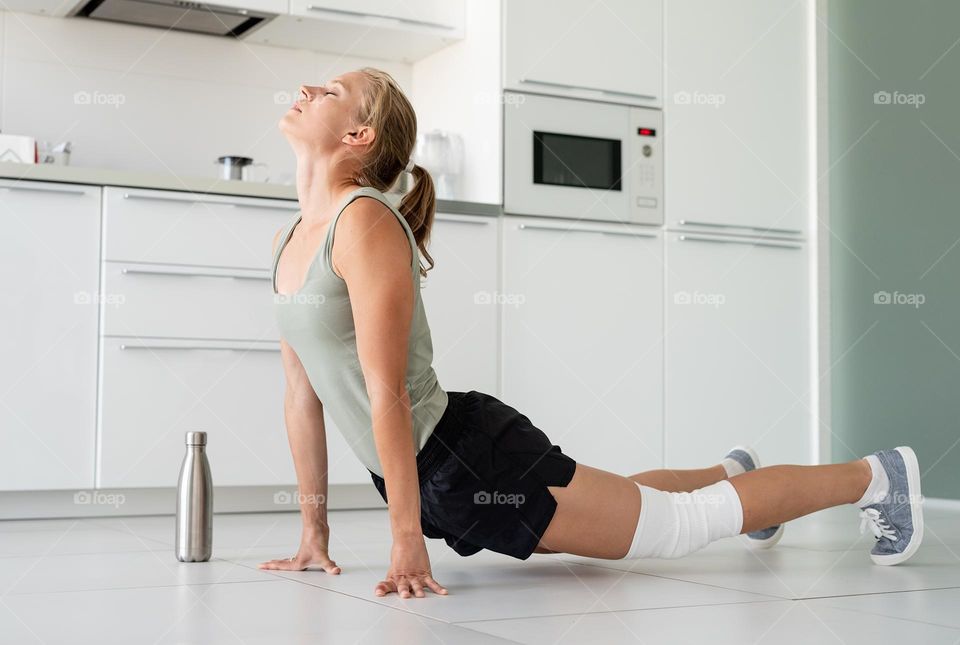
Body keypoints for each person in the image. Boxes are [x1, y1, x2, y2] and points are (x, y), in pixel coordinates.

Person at [257, 67, 924, 599]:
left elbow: (386, 391)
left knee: (675, 528)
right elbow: (301, 396)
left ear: (359, 137)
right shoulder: (294, 240)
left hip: (463, 459)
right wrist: (314, 532)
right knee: (622, 503)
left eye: (333, 90)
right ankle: (731, 474)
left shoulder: (364, 222)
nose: (310, 90)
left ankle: (875, 477)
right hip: (430, 476)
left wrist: (407, 536)